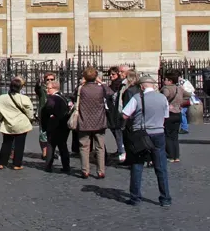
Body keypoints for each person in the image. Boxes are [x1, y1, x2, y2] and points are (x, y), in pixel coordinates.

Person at [120, 77, 172, 207]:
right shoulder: (162, 98)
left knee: (137, 166)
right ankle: (165, 198)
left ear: (142, 87)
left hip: (141, 134)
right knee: (161, 167)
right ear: (153, 86)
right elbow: (165, 116)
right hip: (158, 133)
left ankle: (135, 197)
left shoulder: (137, 98)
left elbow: (124, 115)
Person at [0, 76, 37, 170]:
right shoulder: (24, 98)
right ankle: (17, 164)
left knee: (6, 144)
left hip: (8, 123)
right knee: (20, 145)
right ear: (21, 87)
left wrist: (0, 116)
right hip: (21, 123)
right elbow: (29, 110)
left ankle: (1, 163)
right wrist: (30, 118)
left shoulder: (2, 98)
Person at [74, 66, 108, 179]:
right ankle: (101, 171)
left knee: (84, 147)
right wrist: (101, 82)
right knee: (100, 147)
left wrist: (81, 84)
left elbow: (74, 96)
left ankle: (85, 170)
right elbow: (110, 93)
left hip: (84, 121)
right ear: (96, 77)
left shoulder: (81, 89)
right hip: (99, 121)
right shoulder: (101, 89)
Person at [37, 72, 72, 173]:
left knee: (51, 146)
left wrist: (50, 115)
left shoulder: (52, 98)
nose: (47, 90)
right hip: (63, 126)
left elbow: (48, 108)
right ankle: (66, 166)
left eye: (49, 88)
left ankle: (48, 165)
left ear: (54, 88)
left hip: (54, 126)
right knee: (63, 146)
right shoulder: (63, 97)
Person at [161, 71, 187, 162]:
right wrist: (180, 103)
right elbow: (188, 95)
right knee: (175, 136)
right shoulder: (179, 88)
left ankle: (170, 156)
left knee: (168, 136)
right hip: (178, 113)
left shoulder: (166, 89)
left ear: (170, 81)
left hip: (169, 114)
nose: (164, 81)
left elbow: (163, 99)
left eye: (165, 79)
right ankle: (176, 156)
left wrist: (168, 105)